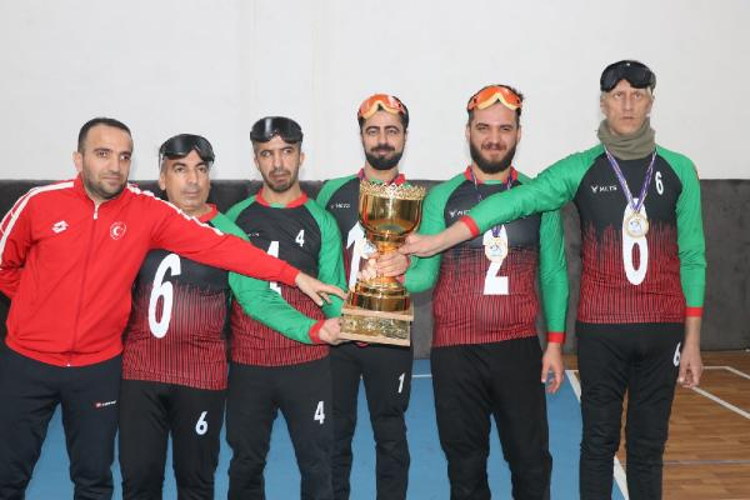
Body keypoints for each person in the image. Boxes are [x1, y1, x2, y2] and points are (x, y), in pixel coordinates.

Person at [401, 61, 706, 499]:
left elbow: (691, 258)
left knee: (642, 448)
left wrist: (691, 339)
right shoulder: (576, 169)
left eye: (637, 95)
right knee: (587, 446)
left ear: (650, 102)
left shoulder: (680, 169)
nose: (627, 104)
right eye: (618, 95)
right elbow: (507, 205)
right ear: (603, 103)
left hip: (652, 333)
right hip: (587, 334)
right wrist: (426, 248)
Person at [0, 118, 344, 499]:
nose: (115, 165)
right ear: (78, 160)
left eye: (124, 157)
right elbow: (6, 266)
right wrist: (40, 309)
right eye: (103, 154)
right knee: (16, 473)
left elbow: (229, 255)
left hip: (131, 371)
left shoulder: (152, 214)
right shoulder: (46, 204)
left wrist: (295, 279)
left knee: (99, 480)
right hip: (70, 366)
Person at [118, 133, 343, 499]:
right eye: (180, 169)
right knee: (138, 484)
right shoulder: (139, 223)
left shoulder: (230, 233)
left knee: (197, 486)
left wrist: (313, 329)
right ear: (162, 178)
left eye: (200, 169)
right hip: (140, 375)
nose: (192, 180)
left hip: (201, 378)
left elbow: (257, 299)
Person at [396, 84, 568, 500]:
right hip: (456, 354)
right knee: (465, 469)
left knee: (531, 464)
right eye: (484, 128)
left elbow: (554, 274)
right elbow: (424, 278)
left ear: (519, 134)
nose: (494, 138)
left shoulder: (538, 195)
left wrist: (555, 344)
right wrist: (395, 272)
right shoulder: (442, 197)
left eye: (505, 128)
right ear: (468, 132)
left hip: (518, 349)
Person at [225, 116, 346, 500]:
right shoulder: (235, 219)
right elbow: (237, 295)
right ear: (256, 161)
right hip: (250, 365)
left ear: (301, 157)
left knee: (317, 464)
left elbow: (334, 297)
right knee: (246, 464)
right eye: (267, 154)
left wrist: (357, 326)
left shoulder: (322, 221)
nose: (278, 163)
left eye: (286, 152)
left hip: (307, 365)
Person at [316, 93, 413, 500]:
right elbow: (317, 261)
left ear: (404, 136)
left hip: (390, 336)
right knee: (333, 435)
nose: (382, 139)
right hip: (339, 336)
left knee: (391, 436)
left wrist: (407, 265)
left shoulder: (418, 201)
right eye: (373, 131)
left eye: (391, 130)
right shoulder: (332, 193)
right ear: (361, 137)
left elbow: (428, 268)